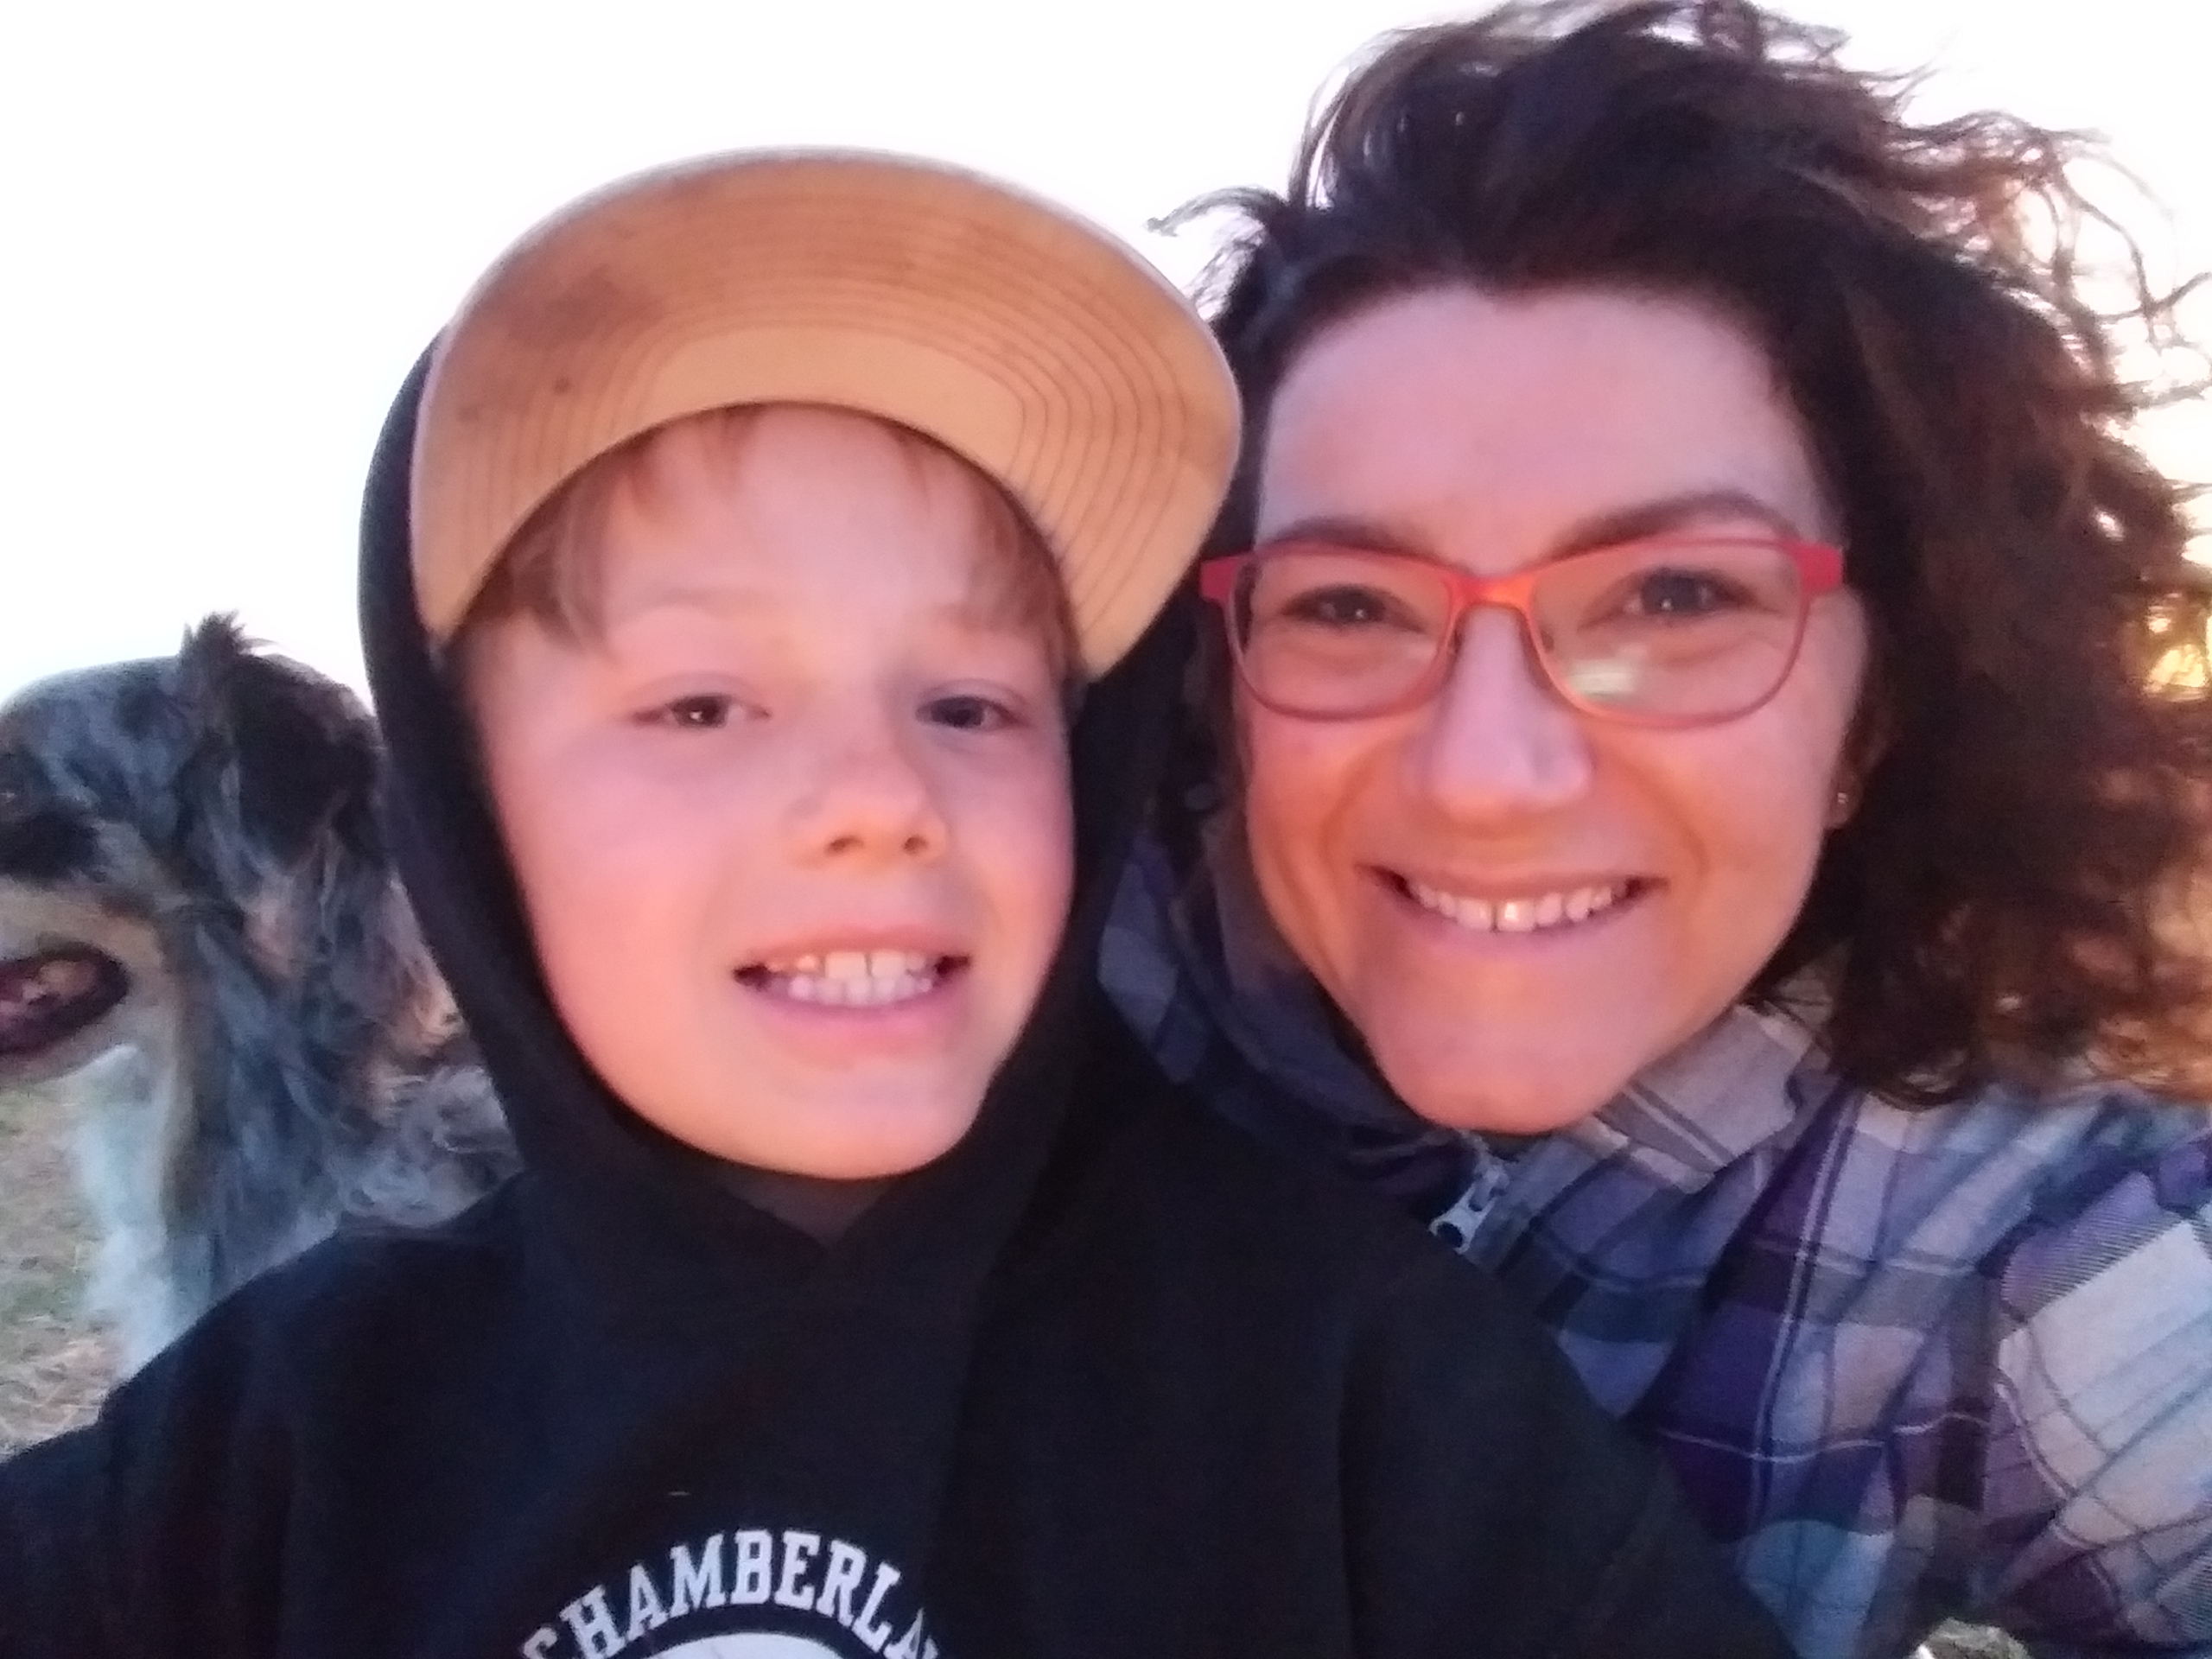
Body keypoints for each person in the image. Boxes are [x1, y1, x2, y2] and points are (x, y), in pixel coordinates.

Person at [0, 149, 1792, 1657]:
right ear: (472, 819)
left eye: (971, 704)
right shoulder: (289, 1438)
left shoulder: (1355, 1399)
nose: (877, 796)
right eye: (701, 705)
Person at [1102, 4, 2212, 1656]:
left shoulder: (2010, 1242)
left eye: (1677, 598)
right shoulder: (997, 995)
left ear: (1882, 703)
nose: (1486, 774)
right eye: (1351, 604)